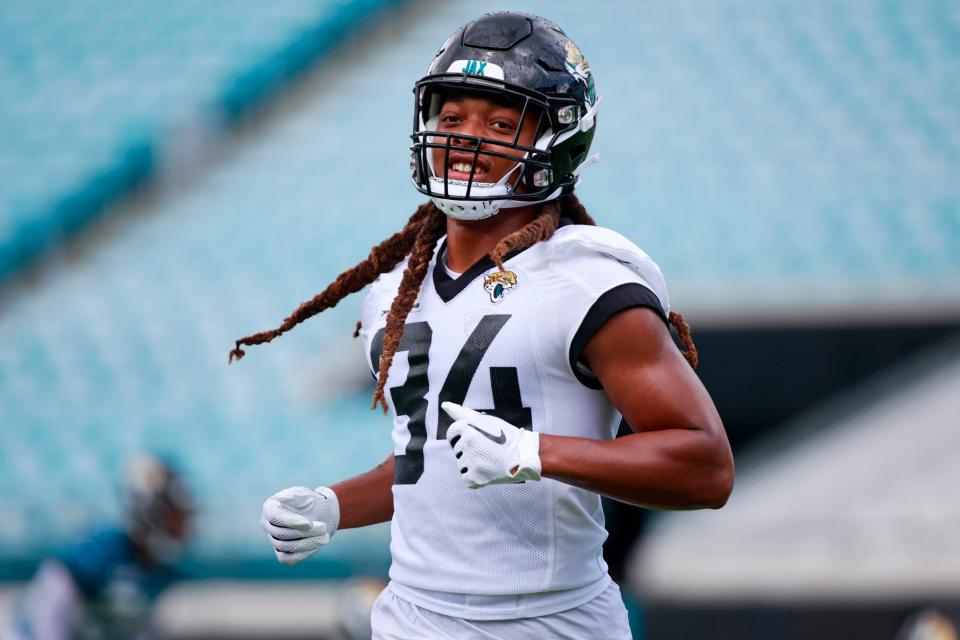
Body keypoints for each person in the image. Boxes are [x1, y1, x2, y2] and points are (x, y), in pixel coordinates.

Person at [232, 11, 734, 639]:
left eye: (499, 122)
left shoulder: (587, 280)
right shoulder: (397, 287)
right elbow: (429, 463)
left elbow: (705, 466)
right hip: (411, 618)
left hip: (549, 622)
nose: (465, 138)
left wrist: (535, 453)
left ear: (559, 141)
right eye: (452, 118)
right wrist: (334, 506)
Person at [3, 455, 194, 640]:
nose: (182, 528)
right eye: (174, 516)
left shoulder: (159, 571)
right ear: (152, 513)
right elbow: (46, 617)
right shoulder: (100, 553)